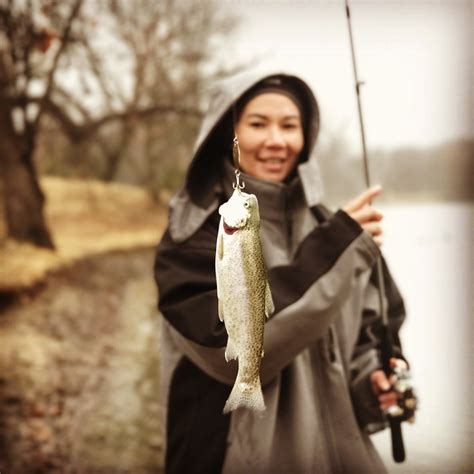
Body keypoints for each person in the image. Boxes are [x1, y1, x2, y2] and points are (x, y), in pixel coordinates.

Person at [154, 69, 408, 474]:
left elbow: (370, 331)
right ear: (228, 134)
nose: (277, 140)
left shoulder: (336, 230)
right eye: (258, 124)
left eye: (290, 126)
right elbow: (233, 353)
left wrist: (374, 379)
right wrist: (335, 250)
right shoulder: (194, 235)